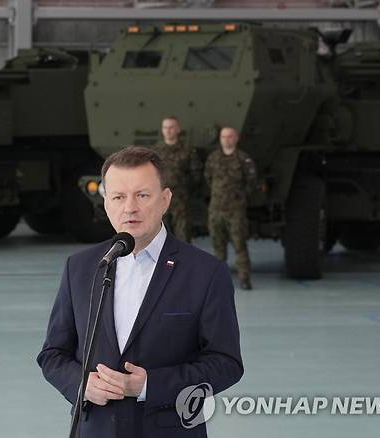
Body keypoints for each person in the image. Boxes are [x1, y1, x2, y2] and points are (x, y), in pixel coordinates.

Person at [37, 146, 243, 438]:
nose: (129, 207)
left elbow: (226, 364)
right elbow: (53, 354)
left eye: (142, 195)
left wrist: (150, 386)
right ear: (105, 202)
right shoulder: (80, 268)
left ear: (165, 200)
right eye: (119, 197)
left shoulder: (206, 273)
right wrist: (82, 385)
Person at [204, 127, 258, 290]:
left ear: (236, 138)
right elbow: (208, 179)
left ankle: (244, 279)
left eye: (230, 136)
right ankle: (219, 281)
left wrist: (239, 197)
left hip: (236, 211)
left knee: (239, 244)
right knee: (218, 247)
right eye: (224, 137)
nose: (226, 139)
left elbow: (251, 181)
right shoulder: (213, 158)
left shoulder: (243, 159)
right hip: (216, 210)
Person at [155, 116, 202, 242]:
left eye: (171, 127)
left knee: (183, 235)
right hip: (161, 199)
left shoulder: (187, 150)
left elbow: (196, 174)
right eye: (165, 128)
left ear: (178, 129)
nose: (168, 130)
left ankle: (184, 262)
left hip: (181, 199)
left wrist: (186, 189)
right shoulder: (155, 151)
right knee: (161, 236)